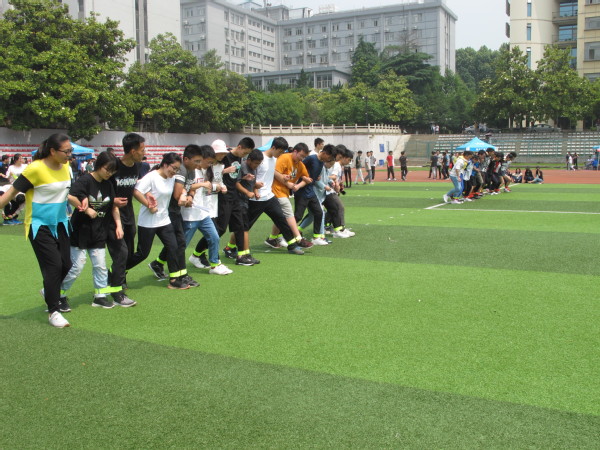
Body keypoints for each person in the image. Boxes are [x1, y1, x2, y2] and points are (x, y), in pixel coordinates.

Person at [0, 134, 74, 327]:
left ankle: (49, 290)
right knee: (54, 266)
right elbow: (12, 192)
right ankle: (54, 311)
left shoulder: (66, 166)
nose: (69, 155)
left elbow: (65, 193)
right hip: (39, 225)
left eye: (71, 150)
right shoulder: (35, 169)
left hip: (61, 223)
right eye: (66, 151)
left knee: (67, 264)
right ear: (53, 151)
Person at [59, 151, 125, 309]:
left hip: (99, 231)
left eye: (113, 171)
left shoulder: (108, 184)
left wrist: (118, 225)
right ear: (99, 165)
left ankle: (100, 296)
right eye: (107, 169)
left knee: (100, 265)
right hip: (80, 231)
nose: (109, 174)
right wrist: (86, 209)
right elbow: (70, 196)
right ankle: (57, 294)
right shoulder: (85, 180)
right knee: (76, 267)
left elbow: (112, 206)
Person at [127, 152, 190, 290]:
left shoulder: (171, 178)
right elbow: (136, 191)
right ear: (165, 164)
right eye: (173, 168)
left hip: (164, 219)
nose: (175, 172)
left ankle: (174, 280)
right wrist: (148, 205)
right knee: (142, 254)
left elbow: (182, 188)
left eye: (177, 169)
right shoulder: (152, 177)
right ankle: (118, 272)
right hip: (148, 222)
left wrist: (184, 195)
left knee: (173, 247)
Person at [148, 145, 203, 287]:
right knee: (176, 243)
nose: (198, 165)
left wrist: (190, 196)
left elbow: (190, 188)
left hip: (174, 211)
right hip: (168, 212)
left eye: (200, 161)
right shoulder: (182, 170)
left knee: (178, 243)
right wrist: (185, 197)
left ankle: (173, 271)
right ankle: (178, 275)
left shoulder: (191, 171)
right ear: (186, 159)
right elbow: (177, 195)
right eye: (196, 161)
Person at [106, 133, 147, 306]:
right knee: (121, 253)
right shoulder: (113, 166)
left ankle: (114, 276)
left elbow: (134, 190)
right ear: (132, 151)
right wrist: (112, 200)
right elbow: (98, 187)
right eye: (142, 149)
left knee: (129, 254)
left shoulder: (137, 166)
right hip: (112, 216)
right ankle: (117, 291)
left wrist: (148, 198)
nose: (144, 153)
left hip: (129, 216)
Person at [183, 145, 233, 275]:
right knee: (182, 244)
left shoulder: (205, 171)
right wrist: (202, 185)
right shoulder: (190, 171)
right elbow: (184, 186)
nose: (209, 164)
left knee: (214, 237)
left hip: (203, 213)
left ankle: (215, 265)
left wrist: (215, 187)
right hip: (190, 214)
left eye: (211, 162)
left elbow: (206, 187)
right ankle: (160, 263)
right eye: (208, 162)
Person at [212, 137, 256, 265]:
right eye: (245, 152)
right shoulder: (224, 157)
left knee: (240, 226)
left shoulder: (239, 158)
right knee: (220, 229)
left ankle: (241, 256)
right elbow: (212, 172)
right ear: (240, 147)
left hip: (234, 196)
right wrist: (224, 171)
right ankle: (198, 253)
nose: (245, 155)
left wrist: (244, 177)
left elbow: (233, 178)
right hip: (224, 197)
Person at [270, 143, 313, 248]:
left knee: (281, 217)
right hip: (276, 190)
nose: (302, 158)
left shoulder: (300, 164)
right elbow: (275, 172)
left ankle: (272, 239)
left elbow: (307, 179)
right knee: (289, 214)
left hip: (283, 193)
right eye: (301, 155)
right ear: (295, 151)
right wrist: (287, 183)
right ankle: (298, 238)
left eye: (304, 157)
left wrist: (298, 186)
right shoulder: (285, 158)